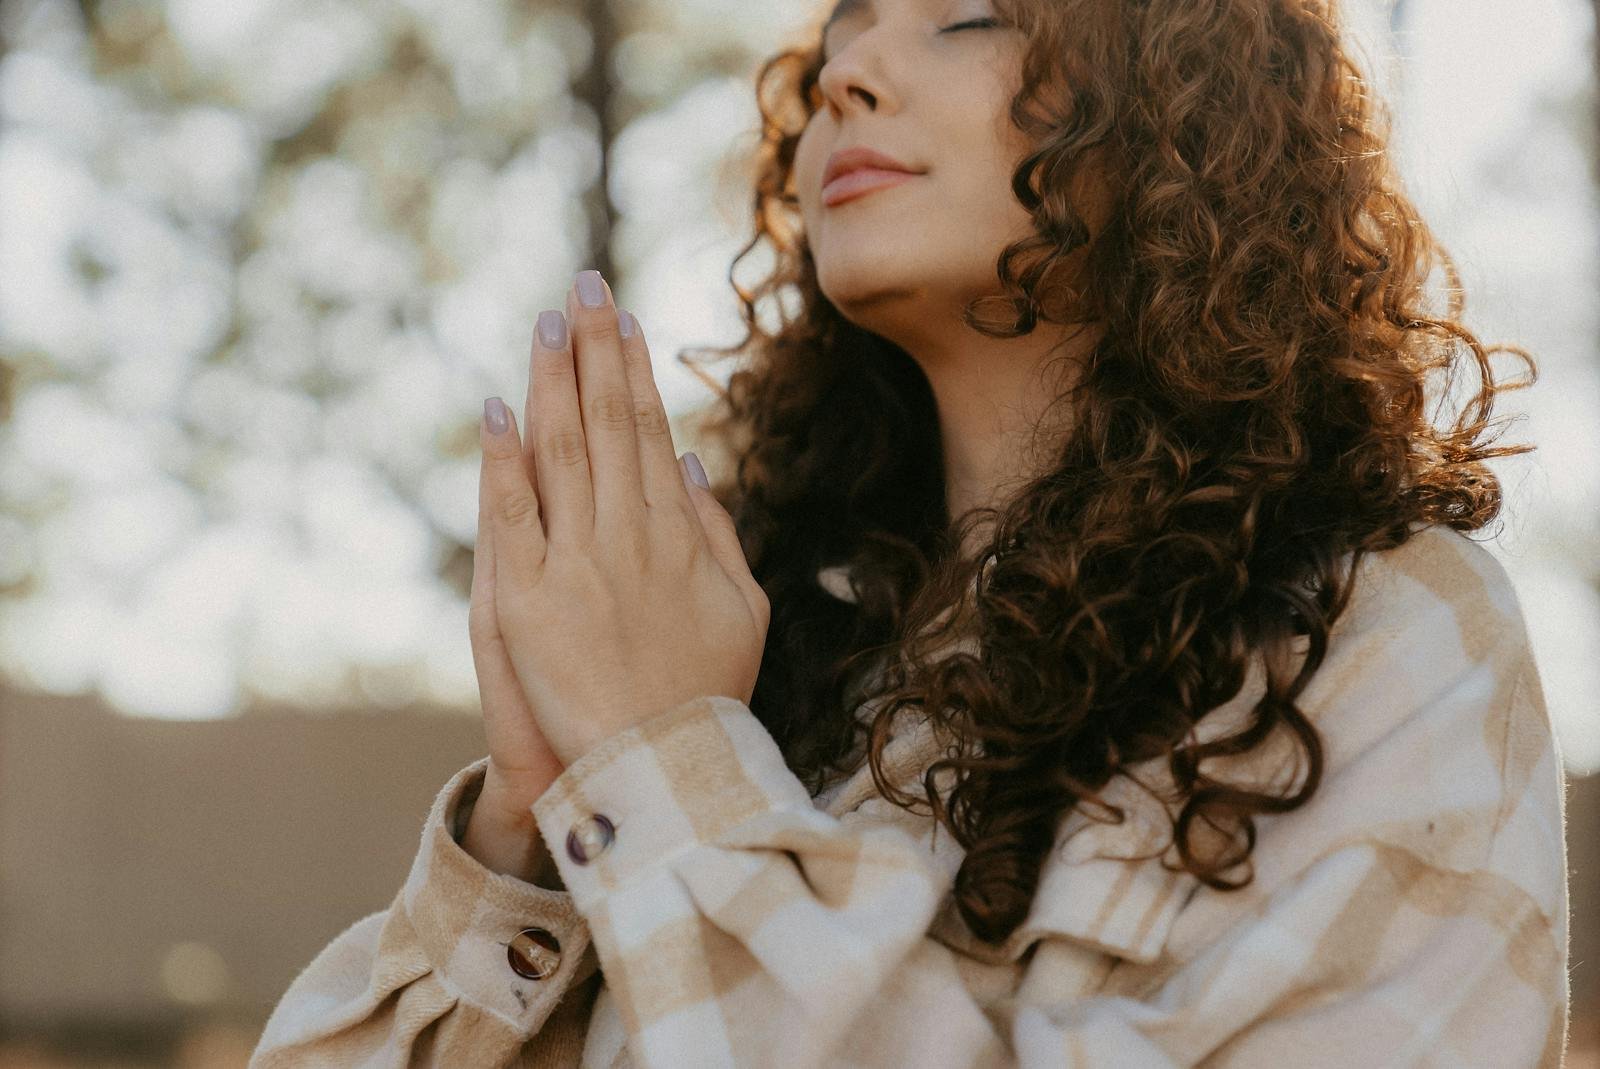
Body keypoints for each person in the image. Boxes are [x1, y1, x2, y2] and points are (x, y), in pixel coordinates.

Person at [249, 0, 1571, 1065]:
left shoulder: (1384, 633)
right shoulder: (763, 648)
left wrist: (664, 774)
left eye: (969, 17)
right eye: (848, 22)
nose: (846, 72)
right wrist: (536, 824)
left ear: (1186, 103)